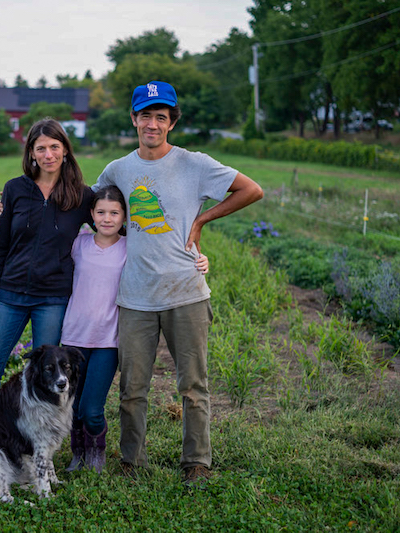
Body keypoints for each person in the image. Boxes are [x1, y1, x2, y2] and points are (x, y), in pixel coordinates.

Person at [93, 80, 263, 485]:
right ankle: (133, 461)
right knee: (133, 387)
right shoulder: (117, 170)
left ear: (171, 123)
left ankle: (196, 463)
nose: (152, 124)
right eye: (146, 116)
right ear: (134, 119)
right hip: (135, 296)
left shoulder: (195, 164)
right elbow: (95, 209)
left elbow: (251, 190)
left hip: (186, 292)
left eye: (161, 117)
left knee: (193, 385)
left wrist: (202, 219)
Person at [60, 185, 209, 474]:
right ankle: (77, 455)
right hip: (72, 337)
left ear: (126, 217)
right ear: (90, 214)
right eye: (100, 212)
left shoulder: (131, 248)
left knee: (92, 409)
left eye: (114, 213)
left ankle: (97, 454)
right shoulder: (78, 244)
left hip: (107, 340)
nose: (106, 218)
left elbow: (167, 255)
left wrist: (198, 259)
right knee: (74, 409)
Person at [0, 118, 94, 406]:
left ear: (66, 150)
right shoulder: (15, 190)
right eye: (41, 148)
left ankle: (36, 444)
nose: (48, 155)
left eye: (55, 147)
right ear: (31, 153)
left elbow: (112, 225)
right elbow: (0, 247)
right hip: (11, 297)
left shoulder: (82, 195)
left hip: (52, 300)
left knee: (45, 376)